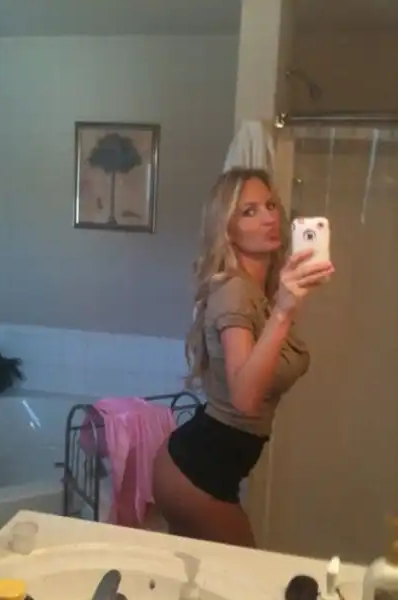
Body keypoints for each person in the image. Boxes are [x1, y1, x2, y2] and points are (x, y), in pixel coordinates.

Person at [152, 167, 334, 547]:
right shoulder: (235, 292)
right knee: (248, 575)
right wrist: (283, 311)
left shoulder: (256, 291)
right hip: (196, 474)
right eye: (249, 211)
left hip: (200, 469)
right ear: (227, 229)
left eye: (270, 205)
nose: (269, 217)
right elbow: (245, 399)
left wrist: (283, 303)